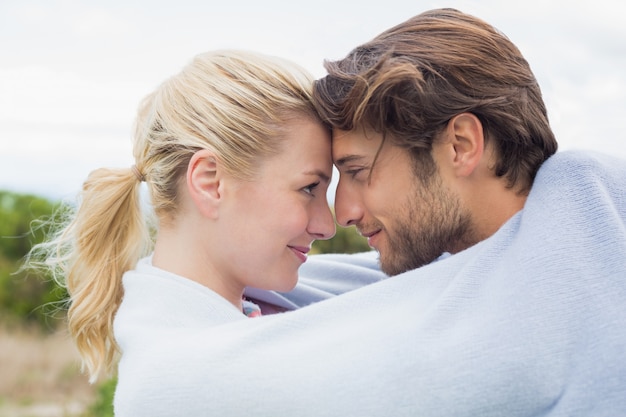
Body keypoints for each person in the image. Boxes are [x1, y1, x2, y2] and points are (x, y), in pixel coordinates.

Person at [26, 49, 376, 384]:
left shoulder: (253, 300)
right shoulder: (184, 374)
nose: (326, 226)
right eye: (309, 188)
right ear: (209, 182)